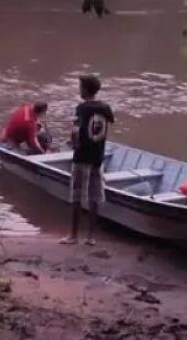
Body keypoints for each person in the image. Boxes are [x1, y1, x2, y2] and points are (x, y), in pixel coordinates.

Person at [62, 75, 114, 246]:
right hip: (97, 157)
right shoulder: (106, 107)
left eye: (80, 87)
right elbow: (108, 125)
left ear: (85, 90)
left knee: (76, 195)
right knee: (94, 197)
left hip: (82, 156)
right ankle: (91, 237)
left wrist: (74, 144)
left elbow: (76, 131)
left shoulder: (82, 108)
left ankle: (73, 236)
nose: (79, 90)